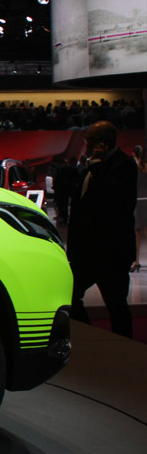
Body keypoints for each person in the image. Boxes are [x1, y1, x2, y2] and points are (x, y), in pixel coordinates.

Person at [67, 122, 138, 338]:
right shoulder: (90, 167)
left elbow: (117, 201)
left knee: (116, 306)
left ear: (103, 144)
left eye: (89, 141)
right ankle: (92, 336)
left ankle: (124, 347)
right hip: (86, 253)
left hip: (112, 253)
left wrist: (97, 166)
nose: (86, 145)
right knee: (70, 296)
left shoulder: (124, 165)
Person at [53, 156, 79, 224]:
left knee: (63, 203)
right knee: (64, 203)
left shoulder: (64, 170)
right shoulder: (72, 170)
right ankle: (64, 216)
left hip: (64, 190)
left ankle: (64, 216)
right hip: (67, 190)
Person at [134, 144, 147, 273]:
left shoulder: (136, 167)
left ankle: (136, 261)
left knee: (137, 233)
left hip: (138, 201)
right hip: (146, 200)